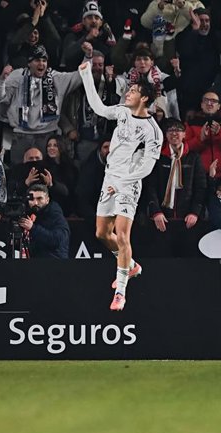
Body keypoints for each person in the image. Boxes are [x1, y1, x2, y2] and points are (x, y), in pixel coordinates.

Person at [79, 60, 163, 311]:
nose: (128, 93)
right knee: (102, 233)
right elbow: (99, 108)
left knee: (123, 234)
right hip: (110, 178)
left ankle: (121, 292)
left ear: (145, 98)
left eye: (133, 91)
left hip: (129, 184)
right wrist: (86, 77)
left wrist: (123, 183)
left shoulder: (152, 131)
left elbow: (147, 167)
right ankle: (131, 264)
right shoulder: (123, 112)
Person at [15, 183, 70, 259]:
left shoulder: (55, 214)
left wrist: (33, 228)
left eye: (39, 198)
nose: (35, 203)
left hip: (55, 262)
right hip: (35, 263)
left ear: (47, 200)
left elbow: (57, 240)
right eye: (32, 199)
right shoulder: (27, 212)